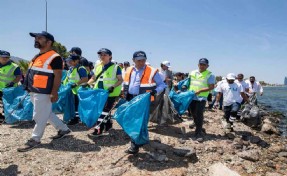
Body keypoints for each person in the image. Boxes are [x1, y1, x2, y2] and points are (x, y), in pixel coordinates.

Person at [18, 31, 71, 152]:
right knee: (45, 112)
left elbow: (58, 76)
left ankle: (35, 139)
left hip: (44, 91)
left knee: (39, 115)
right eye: (36, 38)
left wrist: (54, 92)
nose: (36, 39)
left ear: (49, 42)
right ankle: (63, 129)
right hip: (34, 90)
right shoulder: (37, 56)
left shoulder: (55, 57)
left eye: (40, 38)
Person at [123, 51, 166, 154]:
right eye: (139, 60)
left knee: (139, 122)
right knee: (133, 120)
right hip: (130, 99)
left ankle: (134, 145)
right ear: (133, 60)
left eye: (143, 60)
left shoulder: (152, 71)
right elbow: (126, 83)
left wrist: (155, 91)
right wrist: (123, 92)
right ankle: (141, 139)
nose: (141, 62)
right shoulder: (128, 69)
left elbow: (162, 85)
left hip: (143, 100)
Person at [87, 48, 123, 137]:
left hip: (110, 92)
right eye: (101, 55)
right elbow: (94, 77)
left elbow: (120, 80)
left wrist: (113, 87)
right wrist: (86, 84)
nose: (102, 56)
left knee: (104, 110)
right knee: (101, 110)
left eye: (104, 55)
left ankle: (98, 129)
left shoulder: (116, 67)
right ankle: (108, 124)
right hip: (98, 92)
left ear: (110, 56)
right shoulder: (98, 66)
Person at [182, 58, 215, 142]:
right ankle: (199, 127)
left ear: (207, 66)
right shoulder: (192, 72)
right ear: (198, 64)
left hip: (201, 98)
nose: (202, 66)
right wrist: (184, 86)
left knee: (199, 114)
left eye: (204, 64)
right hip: (191, 96)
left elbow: (211, 87)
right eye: (201, 64)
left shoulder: (210, 75)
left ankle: (198, 132)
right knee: (193, 113)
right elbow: (188, 81)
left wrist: (200, 91)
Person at [63, 54, 88, 125]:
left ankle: (76, 119)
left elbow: (85, 79)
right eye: (68, 61)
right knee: (74, 105)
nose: (69, 62)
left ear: (77, 61)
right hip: (72, 91)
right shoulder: (71, 69)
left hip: (80, 91)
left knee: (77, 105)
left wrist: (76, 84)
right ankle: (75, 118)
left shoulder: (81, 69)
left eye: (70, 60)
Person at [0, 50, 22, 122]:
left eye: (7, 57)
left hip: (9, 89)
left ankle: (9, 118)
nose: (5, 58)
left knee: (7, 104)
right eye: (3, 57)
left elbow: (18, 77)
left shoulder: (14, 66)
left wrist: (12, 83)